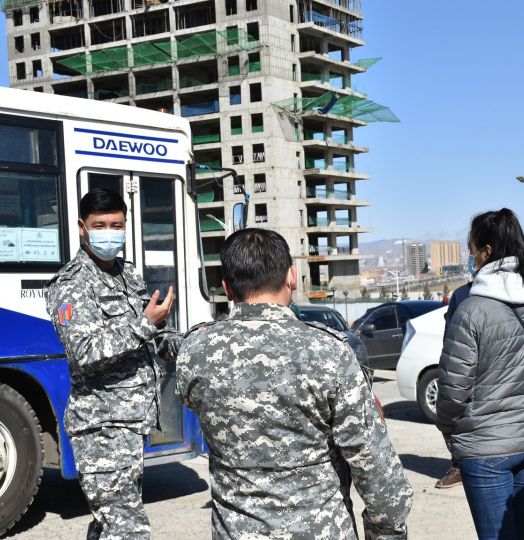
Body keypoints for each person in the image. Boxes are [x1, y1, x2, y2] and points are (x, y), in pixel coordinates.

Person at [176, 228, 412, 539]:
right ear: (292, 276)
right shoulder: (328, 351)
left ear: (226, 288)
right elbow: (374, 464)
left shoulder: (196, 351)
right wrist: (388, 532)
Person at [45, 188, 178, 540]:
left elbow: (148, 339)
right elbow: (84, 353)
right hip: (102, 427)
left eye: (116, 224)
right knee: (127, 529)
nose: (109, 232)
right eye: (99, 225)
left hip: (130, 423)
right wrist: (147, 323)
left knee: (110, 524)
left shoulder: (127, 273)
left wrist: (185, 341)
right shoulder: (71, 284)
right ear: (81, 228)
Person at [436, 208, 524, 540]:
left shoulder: (469, 311)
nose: (470, 257)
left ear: (487, 252)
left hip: (485, 449)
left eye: (472, 249)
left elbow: (452, 390)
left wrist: (455, 429)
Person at [432, 280, 472, 489]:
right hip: (461, 364)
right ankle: (459, 466)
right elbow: (450, 332)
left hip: (491, 368)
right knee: (451, 416)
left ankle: (473, 465)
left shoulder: (510, 289)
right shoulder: (462, 293)